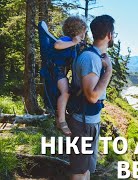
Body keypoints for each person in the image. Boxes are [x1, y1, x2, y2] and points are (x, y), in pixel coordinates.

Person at [68, 14, 114, 180]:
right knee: (79, 170)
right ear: (109, 35)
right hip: (83, 122)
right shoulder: (90, 58)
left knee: (86, 167)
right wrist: (108, 71)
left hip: (89, 121)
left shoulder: (95, 56)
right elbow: (92, 96)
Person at [54, 16, 87, 136]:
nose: (85, 34)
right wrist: (73, 42)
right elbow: (57, 45)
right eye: (84, 31)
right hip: (57, 71)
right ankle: (62, 121)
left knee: (70, 91)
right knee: (65, 92)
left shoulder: (75, 43)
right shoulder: (66, 39)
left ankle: (61, 114)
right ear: (78, 30)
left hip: (62, 72)